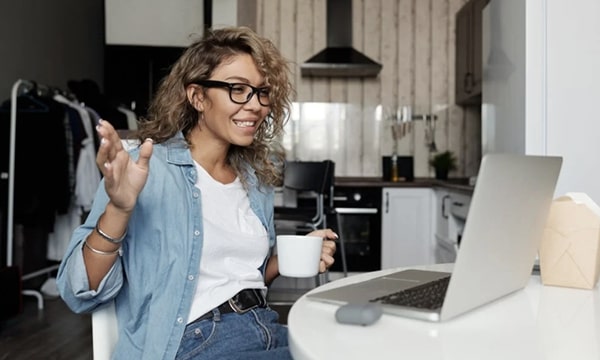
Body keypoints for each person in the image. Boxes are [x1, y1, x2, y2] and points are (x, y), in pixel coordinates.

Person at [56, 26, 337, 360]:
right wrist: (118, 209)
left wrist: (282, 262)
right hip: (193, 343)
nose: (256, 105)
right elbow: (78, 292)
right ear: (197, 96)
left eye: (262, 92)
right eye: (238, 89)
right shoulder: (143, 170)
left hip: (264, 327)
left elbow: (231, 278)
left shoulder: (255, 180)